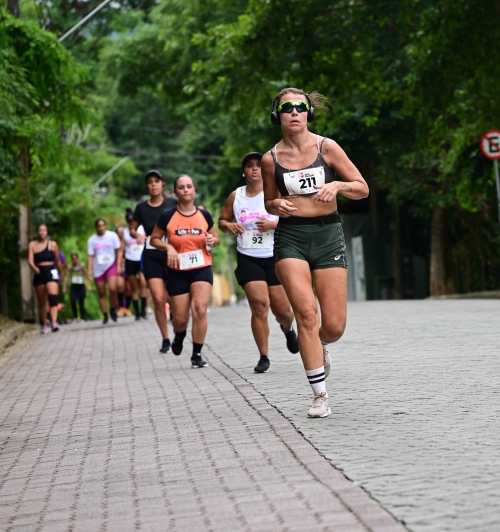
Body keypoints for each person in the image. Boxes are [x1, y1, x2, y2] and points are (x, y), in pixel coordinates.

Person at [262, 88, 369, 418]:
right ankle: (320, 396)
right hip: (291, 238)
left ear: (309, 113)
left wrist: (337, 186)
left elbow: (362, 188)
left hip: (327, 235)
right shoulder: (270, 159)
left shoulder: (327, 148)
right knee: (306, 314)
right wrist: (274, 204)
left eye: (300, 107)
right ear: (277, 116)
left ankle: (319, 344)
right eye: (287, 108)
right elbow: (269, 200)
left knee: (333, 326)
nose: (294, 112)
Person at [219, 152, 299, 373]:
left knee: (282, 311)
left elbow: (295, 217)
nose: (254, 169)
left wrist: (273, 226)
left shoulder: (276, 192)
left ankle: (287, 328)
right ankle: (264, 356)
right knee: (259, 306)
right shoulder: (236, 196)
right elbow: (222, 221)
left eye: (258, 166)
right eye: (249, 165)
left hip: (275, 255)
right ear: (244, 170)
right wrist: (230, 226)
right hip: (248, 256)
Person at [150, 175, 220, 367]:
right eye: (181, 187)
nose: (186, 190)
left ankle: (196, 353)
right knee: (180, 320)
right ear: (175, 192)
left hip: (201, 268)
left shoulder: (204, 215)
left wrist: (213, 241)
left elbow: (216, 238)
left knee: (200, 309)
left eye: (189, 186)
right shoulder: (167, 216)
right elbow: (154, 239)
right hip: (177, 271)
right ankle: (179, 335)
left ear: (194, 190)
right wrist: (169, 247)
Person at [132, 170, 179, 353]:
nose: (153, 184)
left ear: (163, 184)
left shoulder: (173, 204)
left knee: (172, 297)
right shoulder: (141, 207)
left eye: (156, 181)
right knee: (159, 300)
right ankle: (166, 339)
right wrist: (136, 233)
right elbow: (132, 228)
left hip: (173, 254)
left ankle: (178, 325)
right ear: (147, 186)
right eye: (150, 182)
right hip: (151, 256)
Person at [27, 224, 63, 334]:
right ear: (37, 232)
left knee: (53, 298)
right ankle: (44, 323)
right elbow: (30, 260)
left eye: (44, 230)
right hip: (39, 272)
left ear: (47, 232)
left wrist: (60, 273)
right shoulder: (32, 245)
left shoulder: (52, 244)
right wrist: (34, 268)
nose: (42, 232)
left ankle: (54, 322)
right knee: (42, 301)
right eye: (40, 230)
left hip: (51, 272)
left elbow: (57, 260)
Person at [87, 218, 123, 324]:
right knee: (101, 292)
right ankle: (105, 314)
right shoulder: (92, 240)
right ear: (96, 227)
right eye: (99, 226)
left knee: (113, 289)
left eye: (103, 225)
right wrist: (89, 271)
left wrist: (119, 264)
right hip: (98, 268)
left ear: (105, 226)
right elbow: (90, 256)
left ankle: (113, 309)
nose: (101, 228)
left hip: (111, 264)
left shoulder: (112, 236)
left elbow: (119, 250)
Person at [123, 209, 147, 320]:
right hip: (130, 259)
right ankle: (137, 312)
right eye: (129, 221)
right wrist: (120, 263)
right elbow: (122, 248)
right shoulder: (124, 232)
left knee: (143, 284)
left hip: (141, 258)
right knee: (133, 287)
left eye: (132, 220)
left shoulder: (142, 229)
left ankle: (143, 311)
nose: (131, 223)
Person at [64, 253, 90, 322]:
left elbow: (87, 275)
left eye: (75, 258)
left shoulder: (82, 265)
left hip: (81, 286)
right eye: (73, 259)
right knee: (73, 301)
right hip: (73, 287)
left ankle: (83, 318)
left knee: (81, 302)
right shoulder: (70, 267)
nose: (74, 260)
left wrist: (88, 285)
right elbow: (67, 277)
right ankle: (75, 317)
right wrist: (64, 287)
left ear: (77, 258)